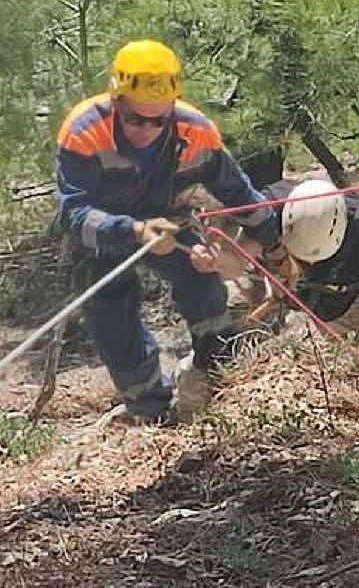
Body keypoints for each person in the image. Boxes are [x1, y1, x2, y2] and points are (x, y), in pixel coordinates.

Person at [55, 39, 280, 424]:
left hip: (170, 222)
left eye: (158, 120)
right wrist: (134, 231)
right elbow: (74, 215)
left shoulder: (197, 132)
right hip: (102, 232)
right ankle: (151, 410)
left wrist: (264, 246)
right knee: (111, 316)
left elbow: (242, 196)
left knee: (204, 283)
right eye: (135, 119)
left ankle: (219, 379)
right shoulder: (84, 131)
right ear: (116, 102)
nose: (147, 130)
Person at [216, 178, 359, 396]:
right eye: (301, 259)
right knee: (219, 319)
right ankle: (195, 395)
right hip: (270, 271)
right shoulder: (268, 210)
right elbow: (236, 260)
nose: (306, 266)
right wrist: (218, 262)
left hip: (346, 297)